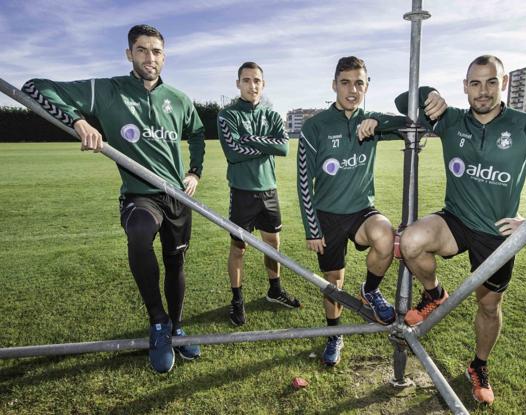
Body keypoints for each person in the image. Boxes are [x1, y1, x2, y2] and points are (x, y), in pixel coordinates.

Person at [22, 24, 206, 374]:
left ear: (164, 56)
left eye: (156, 51)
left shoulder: (180, 99)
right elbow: (35, 88)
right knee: (139, 233)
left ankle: (177, 326)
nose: (149, 58)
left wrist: (195, 171)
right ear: (129, 54)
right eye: (141, 50)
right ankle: (158, 324)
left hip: (176, 197)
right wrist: (77, 121)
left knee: (176, 263)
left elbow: (197, 132)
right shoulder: (107, 91)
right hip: (140, 194)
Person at [395, 55, 526, 404]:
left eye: (491, 82)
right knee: (411, 240)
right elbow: (404, 100)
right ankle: (434, 294)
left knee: (489, 307)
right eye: (475, 83)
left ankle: (478, 366)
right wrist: (430, 94)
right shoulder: (450, 120)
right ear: (465, 87)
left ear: (503, 84)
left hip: (497, 234)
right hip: (456, 219)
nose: (483, 91)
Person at [297, 56, 446, 366]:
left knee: (384, 236)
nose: (353, 90)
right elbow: (303, 181)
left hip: (362, 210)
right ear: (334, 85)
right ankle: (334, 334)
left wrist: (382, 123)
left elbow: (419, 124)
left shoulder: (372, 120)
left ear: (367, 86)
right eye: (346, 82)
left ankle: (370, 290)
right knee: (333, 282)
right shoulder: (315, 126)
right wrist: (313, 228)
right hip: (327, 215)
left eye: (359, 83)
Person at [217, 62, 301, 327]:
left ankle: (275, 290)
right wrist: (267, 146)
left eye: (257, 81)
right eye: (246, 80)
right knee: (238, 249)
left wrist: (248, 139)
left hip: (269, 190)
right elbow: (233, 152)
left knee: (273, 245)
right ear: (238, 83)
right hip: (242, 192)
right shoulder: (227, 115)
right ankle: (237, 300)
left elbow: (284, 148)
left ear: (263, 84)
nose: (252, 85)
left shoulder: (272, 115)